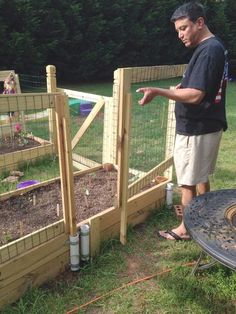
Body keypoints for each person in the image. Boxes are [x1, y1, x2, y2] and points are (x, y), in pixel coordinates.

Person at [137, 2, 228, 240]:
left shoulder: (209, 50)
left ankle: (185, 229)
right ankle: (204, 214)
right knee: (200, 177)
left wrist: (159, 91)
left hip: (196, 128)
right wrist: (183, 87)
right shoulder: (214, 47)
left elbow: (196, 95)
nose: (180, 35)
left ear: (200, 22)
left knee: (187, 182)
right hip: (208, 125)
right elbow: (203, 87)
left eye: (184, 28)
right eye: (178, 30)